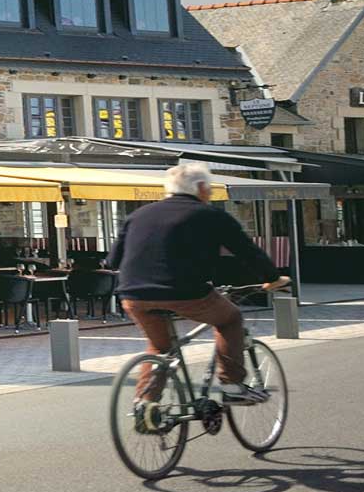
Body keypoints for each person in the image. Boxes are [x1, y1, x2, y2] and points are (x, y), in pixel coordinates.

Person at [106, 161, 289, 407]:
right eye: (210, 188)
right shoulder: (210, 215)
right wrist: (272, 277)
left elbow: (112, 260)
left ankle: (146, 406)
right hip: (185, 292)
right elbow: (247, 251)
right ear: (201, 188)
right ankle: (232, 386)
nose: (211, 193)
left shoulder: (138, 215)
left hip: (133, 295)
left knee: (160, 348)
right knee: (230, 319)